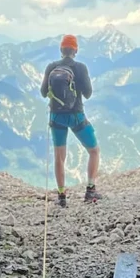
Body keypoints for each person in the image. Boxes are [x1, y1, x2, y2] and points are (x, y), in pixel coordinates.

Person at [41, 34, 99, 207]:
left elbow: (44, 92)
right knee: (94, 150)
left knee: (59, 157)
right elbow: (88, 94)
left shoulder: (51, 67)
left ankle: (61, 196)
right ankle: (90, 190)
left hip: (56, 116)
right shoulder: (81, 68)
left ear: (61, 50)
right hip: (76, 116)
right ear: (76, 50)